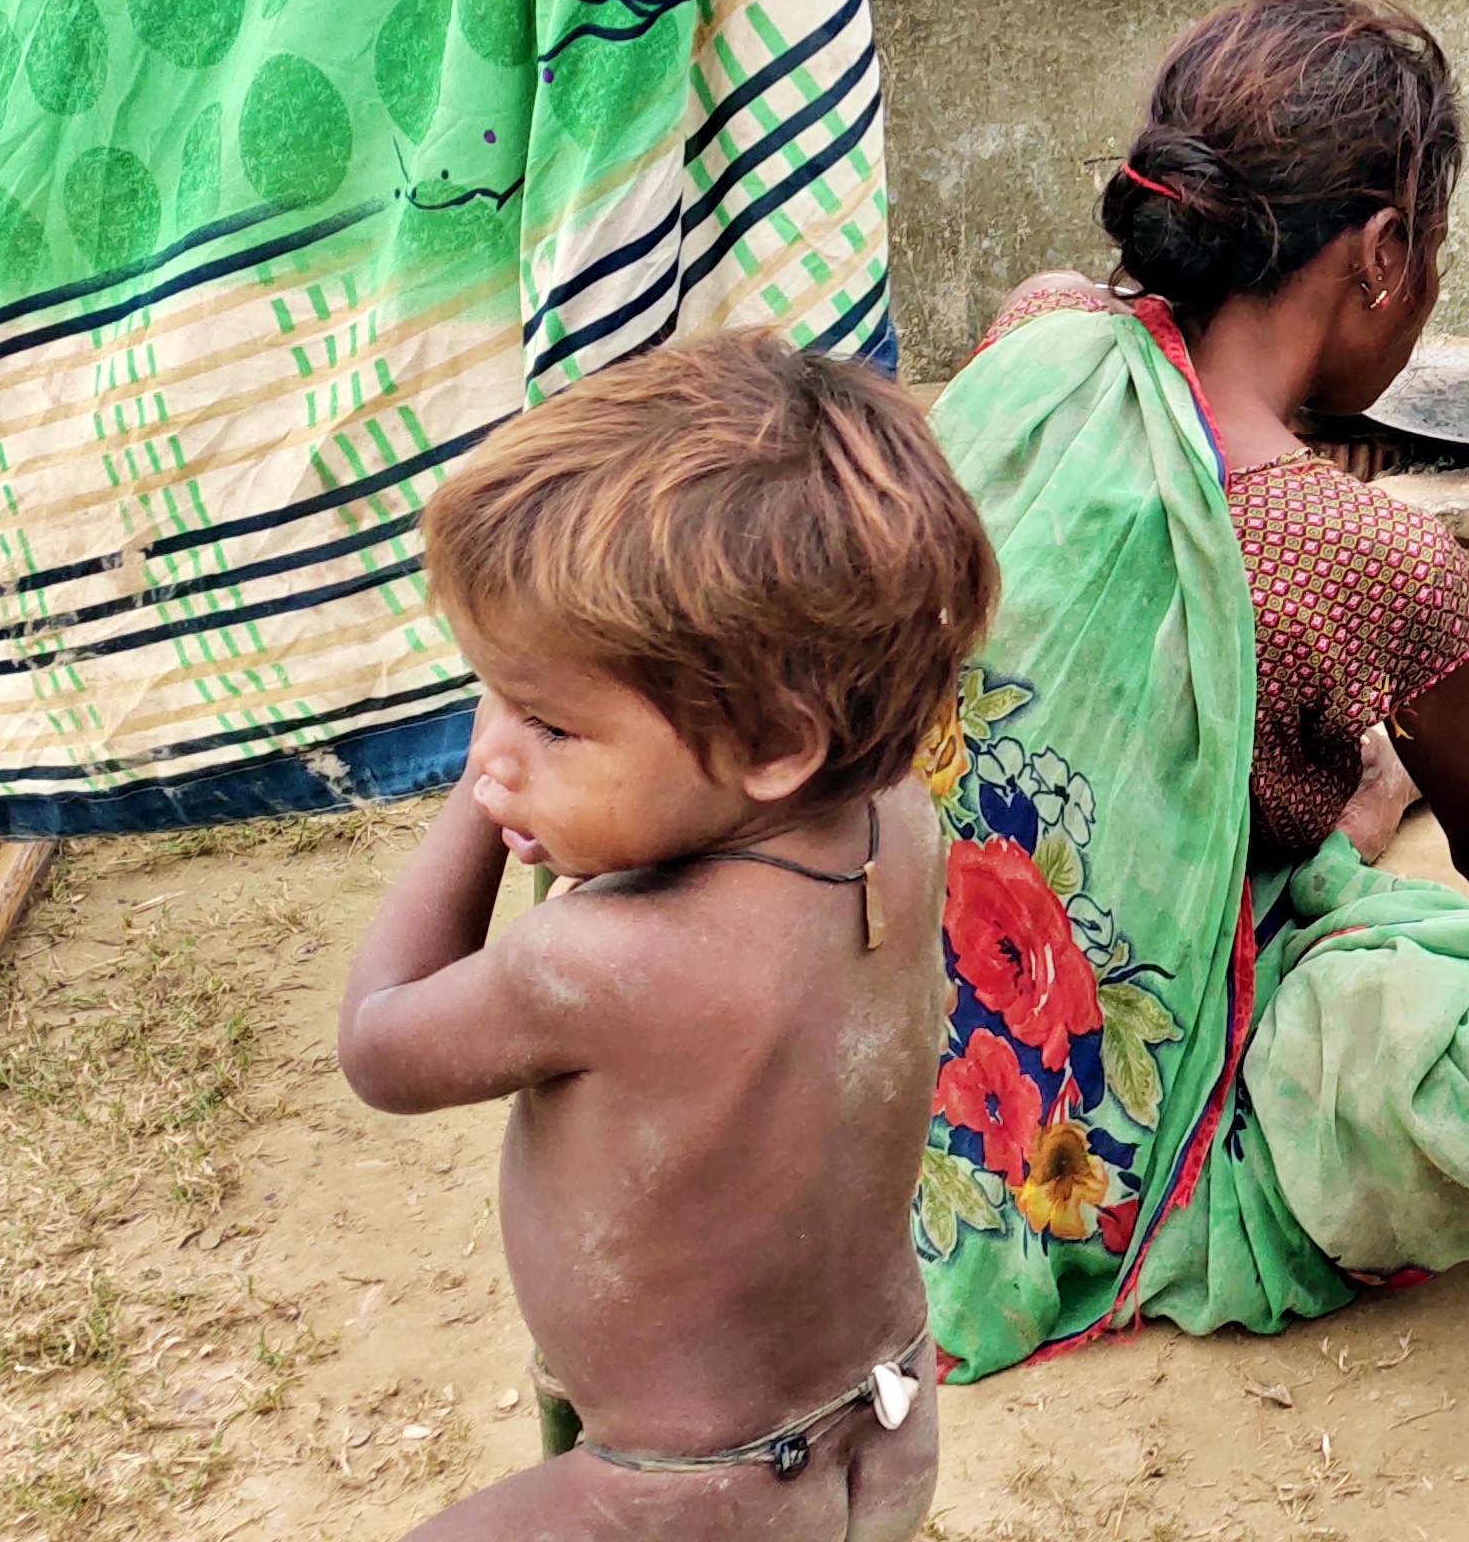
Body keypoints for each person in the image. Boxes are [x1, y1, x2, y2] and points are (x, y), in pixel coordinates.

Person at [915, 0, 1469, 1377]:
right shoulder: (1370, 554)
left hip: (894, 1019)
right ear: (1387, 251)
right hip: (1126, 1102)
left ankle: (1343, 819)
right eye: (1439, 244)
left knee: (1295, 805)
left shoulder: (1033, 338)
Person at [337, 332, 999, 1540]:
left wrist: (479, 810)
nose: (495, 751)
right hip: (887, 1417)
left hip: (688, 1494)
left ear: (770, 743)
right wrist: (547, 756)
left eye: (546, 720)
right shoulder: (896, 816)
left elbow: (380, 1044)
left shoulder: (596, 966)